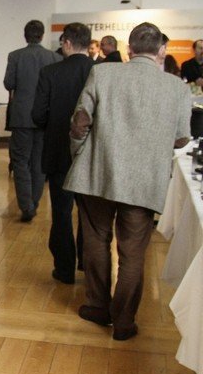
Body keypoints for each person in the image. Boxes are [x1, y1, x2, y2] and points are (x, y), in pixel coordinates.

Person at [66, 22, 190, 341]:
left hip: (98, 172)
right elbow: (181, 138)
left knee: (96, 240)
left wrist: (81, 155)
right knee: (133, 253)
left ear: (129, 49)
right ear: (160, 51)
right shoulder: (176, 88)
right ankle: (123, 321)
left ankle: (97, 307)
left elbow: (80, 123)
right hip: (144, 181)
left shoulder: (103, 74)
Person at [31, 23, 93, 285]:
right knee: (90, 214)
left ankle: (64, 267)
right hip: (91, 153)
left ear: (66, 42)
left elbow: (38, 114)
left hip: (59, 150)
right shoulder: (100, 72)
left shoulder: (50, 72)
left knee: (62, 211)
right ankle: (87, 262)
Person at [4, 20, 62, 222]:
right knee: (38, 162)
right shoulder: (54, 57)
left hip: (21, 117)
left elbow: (9, 83)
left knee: (20, 161)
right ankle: (34, 202)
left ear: (25, 35)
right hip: (44, 117)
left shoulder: (15, 56)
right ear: (42, 35)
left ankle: (25, 205)